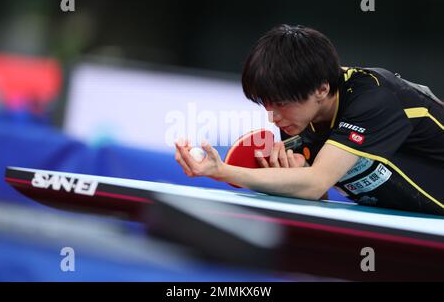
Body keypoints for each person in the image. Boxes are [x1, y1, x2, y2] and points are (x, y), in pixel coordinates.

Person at [175, 24, 444, 216]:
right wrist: (292, 178)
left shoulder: (375, 99)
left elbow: (315, 181)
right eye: (266, 105)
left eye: (280, 104)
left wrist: (221, 171)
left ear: (321, 89)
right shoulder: (297, 122)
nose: (272, 117)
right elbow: (317, 193)